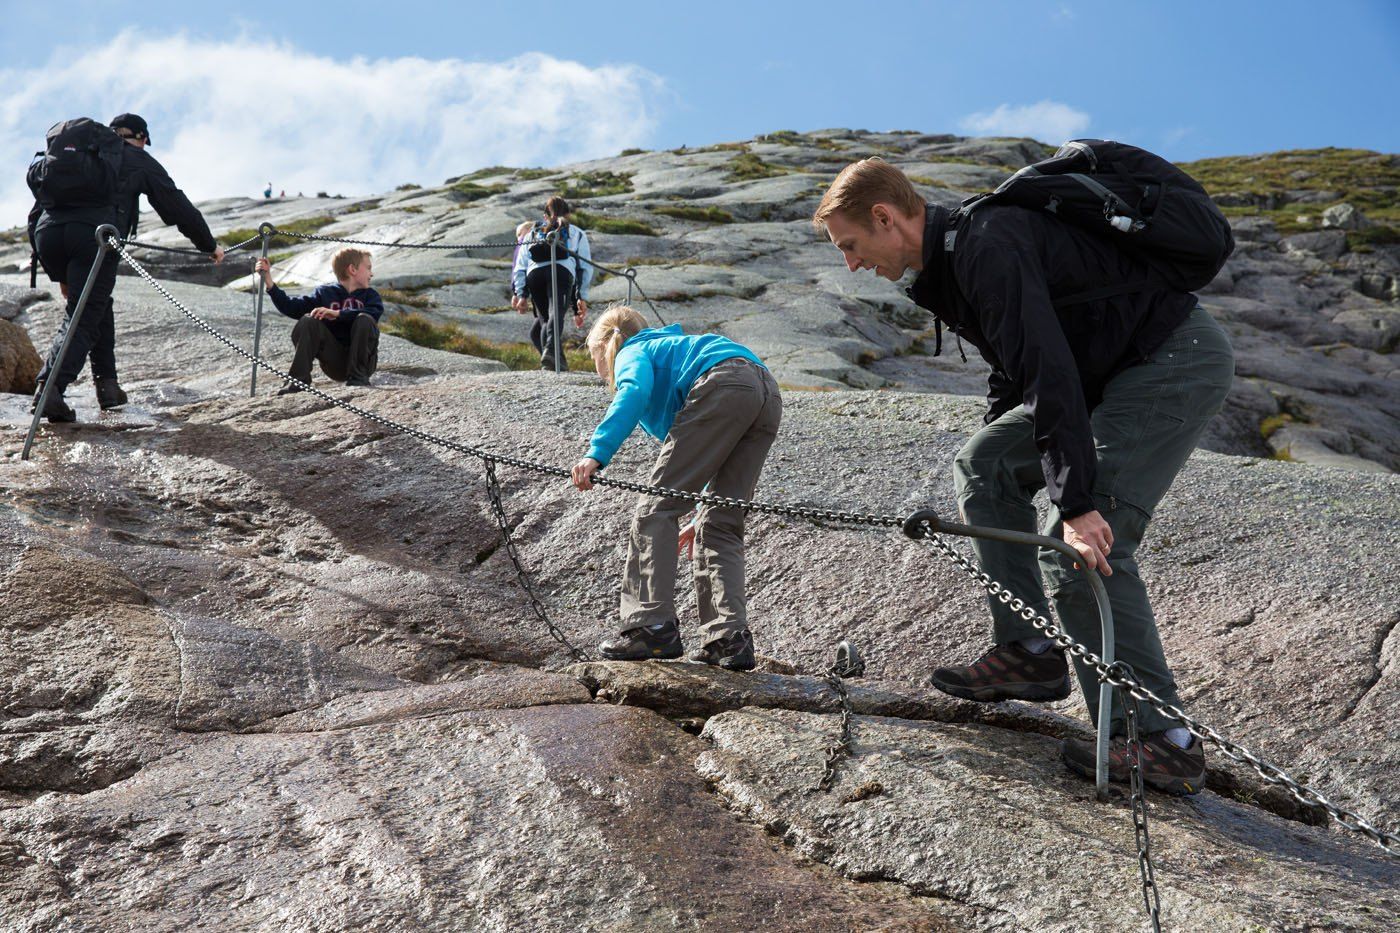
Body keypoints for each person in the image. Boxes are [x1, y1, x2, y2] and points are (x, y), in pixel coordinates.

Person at [813, 158, 1234, 795]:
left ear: (885, 217)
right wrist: (1006, 448)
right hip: (1103, 377)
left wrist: (1074, 501)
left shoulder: (987, 243)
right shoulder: (951, 264)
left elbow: (1046, 369)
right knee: (982, 465)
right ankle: (1032, 654)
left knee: (1076, 549)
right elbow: (1016, 376)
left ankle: (1159, 740)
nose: (851, 263)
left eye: (851, 245)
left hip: (1168, 362)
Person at [571, 306, 782, 671]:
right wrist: (698, 510)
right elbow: (704, 456)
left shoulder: (634, 350)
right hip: (765, 389)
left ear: (605, 345)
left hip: (723, 383)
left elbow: (633, 392)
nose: (598, 366)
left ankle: (651, 627)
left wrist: (596, 453)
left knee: (654, 510)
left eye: (594, 355)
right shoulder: (674, 348)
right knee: (719, 524)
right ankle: (728, 639)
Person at [26, 114, 222, 421]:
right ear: (141, 137)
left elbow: (38, 208)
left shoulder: (85, 155)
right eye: (144, 140)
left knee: (98, 306)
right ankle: (50, 388)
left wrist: (54, 269)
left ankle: (108, 386)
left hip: (47, 235)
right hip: (93, 236)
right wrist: (208, 245)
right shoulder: (134, 158)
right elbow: (174, 203)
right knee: (85, 312)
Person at [255, 248, 382, 393]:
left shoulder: (371, 296)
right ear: (352, 269)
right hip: (335, 362)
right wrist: (269, 281)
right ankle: (298, 381)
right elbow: (291, 307)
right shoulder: (325, 293)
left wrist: (337, 314)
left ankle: (358, 379)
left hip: (363, 364)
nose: (371, 274)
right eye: (368, 268)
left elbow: (373, 313)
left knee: (364, 319)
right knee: (307, 320)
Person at [511, 196, 592, 371]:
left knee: (545, 319)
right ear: (568, 214)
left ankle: (556, 363)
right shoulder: (576, 232)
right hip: (561, 272)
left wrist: (521, 294)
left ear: (544, 215)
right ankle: (550, 353)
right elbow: (584, 267)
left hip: (535, 275)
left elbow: (520, 266)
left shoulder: (532, 232)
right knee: (556, 313)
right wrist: (581, 296)